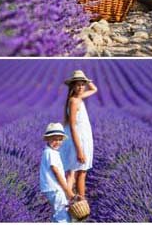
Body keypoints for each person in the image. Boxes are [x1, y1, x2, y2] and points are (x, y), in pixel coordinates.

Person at [63, 73, 97, 209]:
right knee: (77, 172)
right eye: (78, 84)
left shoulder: (78, 98)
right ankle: (78, 202)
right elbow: (72, 125)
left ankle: (72, 201)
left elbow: (94, 89)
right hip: (79, 140)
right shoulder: (74, 101)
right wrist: (79, 150)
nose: (81, 86)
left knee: (77, 172)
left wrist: (88, 80)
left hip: (84, 138)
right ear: (72, 85)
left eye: (83, 84)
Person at [39, 123, 73, 224]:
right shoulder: (50, 153)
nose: (57, 142)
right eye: (54, 139)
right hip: (55, 189)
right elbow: (56, 172)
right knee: (62, 216)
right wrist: (67, 190)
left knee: (57, 214)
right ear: (47, 139)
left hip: (52, 188)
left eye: (60, 139)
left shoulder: (50, 152)